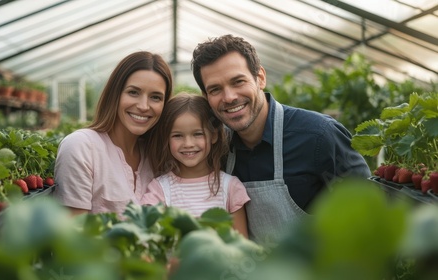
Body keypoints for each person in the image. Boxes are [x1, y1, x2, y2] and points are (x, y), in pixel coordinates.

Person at [191, 34, 371, 243]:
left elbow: (368, 210)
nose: (229, 97)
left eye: (238, 81)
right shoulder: (216, 148)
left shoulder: (319, 136)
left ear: (260, 78)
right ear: (206, 98)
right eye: (215, 89)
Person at [53, 51, 173, 216]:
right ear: (115, 94)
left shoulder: (158, 156)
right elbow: (74, 235)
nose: (144, 106)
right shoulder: (81, 147)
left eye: (156, 97)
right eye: (133, 92)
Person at [142, 93, 250, 237]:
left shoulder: (230, 187)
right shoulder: (159, 189)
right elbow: (151, 240)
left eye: (198, 134)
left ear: (214, 136)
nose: (188, 144)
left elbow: (242, 245)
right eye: (177, 135)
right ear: (166, 139)